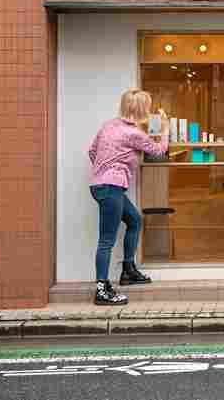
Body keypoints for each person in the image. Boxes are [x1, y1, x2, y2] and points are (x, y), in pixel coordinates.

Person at [87, 88, 169, 305]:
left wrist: (104, 167)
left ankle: (128, 270)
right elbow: (159, 150)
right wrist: (166, 128)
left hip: (101, 185)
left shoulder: (109, 125)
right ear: (142, 109)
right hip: (111, 187)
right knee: (106, 240)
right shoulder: (133, 134)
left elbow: (91, 151)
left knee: (134, 220)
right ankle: (102, 290)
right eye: (148, 106)